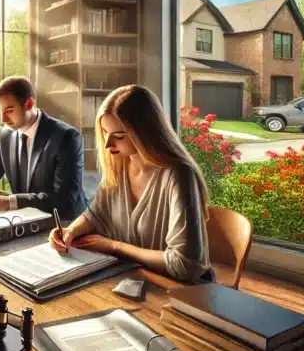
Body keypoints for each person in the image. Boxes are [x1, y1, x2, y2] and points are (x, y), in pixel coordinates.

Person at [48, 85, 213, 283]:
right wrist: (71, 231)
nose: (108, 144)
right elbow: (95, 215)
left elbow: (185, 265)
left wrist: (114, 247)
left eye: (118, 136)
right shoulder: (120, 164)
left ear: (145, 133)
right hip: (134, 277)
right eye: (104, 132)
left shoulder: (179, 175)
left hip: (180, 291)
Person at [0, 76, 87, 220]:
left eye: (9, 110)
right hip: (24, 220)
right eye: (0, 111)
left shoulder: (66, 137)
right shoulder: (6, 134)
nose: (3, 119)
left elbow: (64, 201)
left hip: (64, 224)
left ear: (29, 104)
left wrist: (10, 202)